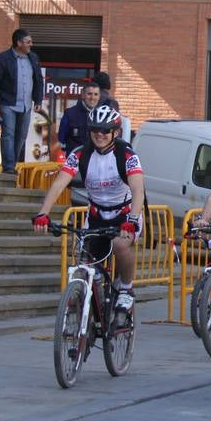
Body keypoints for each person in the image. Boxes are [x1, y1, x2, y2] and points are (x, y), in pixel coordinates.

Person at [33, 105, 146, 317]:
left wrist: (131, 219)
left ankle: (126, 288)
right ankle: (90, 302)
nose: (100, 135)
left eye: (105, 131)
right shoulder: (80, 154)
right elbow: (59, 184)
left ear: (115, 132)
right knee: (85, 261)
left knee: (120, 245)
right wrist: (43, 214)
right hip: (96, 215)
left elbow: (138, 189)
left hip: (125, 213)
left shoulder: (127, 154)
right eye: (95, 130)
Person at [0, 28, 44, 174]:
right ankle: (9, 167)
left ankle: (13, 163)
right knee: (8, 134)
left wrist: (38, 100)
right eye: (28, 42)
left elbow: (38, 80)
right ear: (18, 43)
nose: (31, 44)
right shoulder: (2, 59)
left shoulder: (33, 58)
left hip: (26, 104)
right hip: (8, 103)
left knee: (21, 135)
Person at [57, 81, 101, 154]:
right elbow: (62, 139)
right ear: (83, 95)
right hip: (75, 159)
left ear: (99, 97)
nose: (92, 97)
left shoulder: (103, 115)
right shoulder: (69, 114)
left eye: (96, 94)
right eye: (89, 94)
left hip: (96, 159)